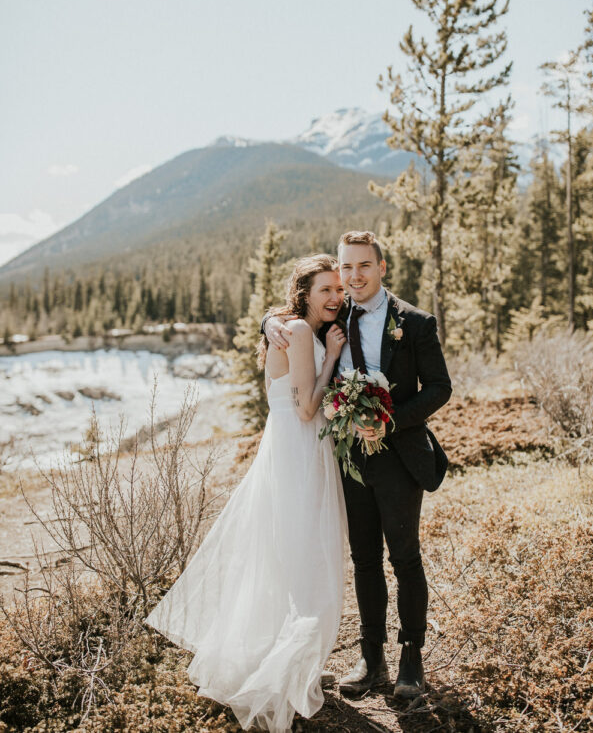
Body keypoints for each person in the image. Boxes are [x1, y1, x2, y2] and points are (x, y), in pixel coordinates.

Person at [145, 254, 348, 733]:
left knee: (288, 558)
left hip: (292, 450)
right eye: (326, 289)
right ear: (304, 293)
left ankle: (286, 661)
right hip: (299, 450)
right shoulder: (300, 332)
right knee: (305, 561)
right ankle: (281, 671)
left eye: (339, 289)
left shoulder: (293, 328)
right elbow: (306, 409)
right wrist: (332, 359)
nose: (336, 297)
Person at [264, 230, 452, 699]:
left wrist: (390, 421)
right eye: (346, 267)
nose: (353, 276)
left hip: (399, 458)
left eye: (363, 265)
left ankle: (411, 660)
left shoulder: (415, 322)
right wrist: (267, 323)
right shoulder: (335, 313)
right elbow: (293, 320)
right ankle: (371, 659)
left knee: (404, 557)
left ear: (381, 267)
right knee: (364, 560)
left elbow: (439, 388)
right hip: (347, 460)